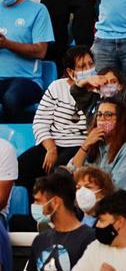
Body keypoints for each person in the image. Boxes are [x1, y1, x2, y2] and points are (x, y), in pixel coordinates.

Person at [20, 47, 95, 190]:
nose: (88, 69)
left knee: (55, 175)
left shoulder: (98, 90)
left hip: (79, 146)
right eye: (82, 67)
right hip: (53, 144)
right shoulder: (56, 87)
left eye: (91, 64)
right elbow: (40, 122)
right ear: (71, 72)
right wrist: (51, 149)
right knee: (20, 169)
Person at [0, 0, 53, 121]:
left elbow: (40, 51)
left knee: (11, 99)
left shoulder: (38, 10)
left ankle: (18, 142)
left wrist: (6, 44)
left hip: (26, 80)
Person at [66, 98, 126, 198]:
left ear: (120, 120)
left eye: (108, 115)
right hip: (89, 205)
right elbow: (70, 175)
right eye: (99, 114)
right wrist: (85, 145)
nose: (102, 119)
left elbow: (120, 188)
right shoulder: (94, 146)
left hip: (115, 208)